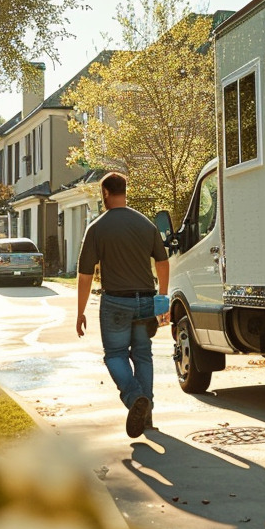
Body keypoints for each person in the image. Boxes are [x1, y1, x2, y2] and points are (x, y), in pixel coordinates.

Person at [76, 172, 170, 438]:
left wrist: (80, 312)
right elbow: (162, 263)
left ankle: (134, 397)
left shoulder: (97, 227)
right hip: (146, 300)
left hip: (116, 301)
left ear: (106, 193)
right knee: (142, 355)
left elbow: (85, 275)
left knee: (115, 355)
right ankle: (147, 415)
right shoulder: (146, 224)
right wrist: (161, 297)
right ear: (125, 191)